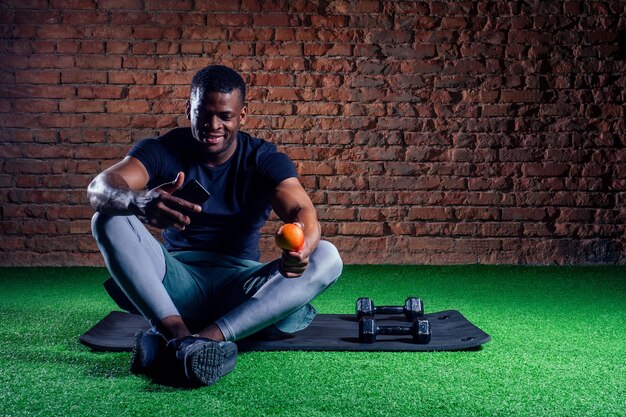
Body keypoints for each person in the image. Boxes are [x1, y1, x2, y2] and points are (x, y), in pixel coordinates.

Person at [87, 65, 343, 386]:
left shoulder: (262, 158)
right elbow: (100, 187)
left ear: (243, 116)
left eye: (225, 115)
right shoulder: (163, 149)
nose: (213, 125)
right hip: (176, 283)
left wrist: (302, 247)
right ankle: (178, 335)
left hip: (242, 289)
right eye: (203, 114)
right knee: (107, 217)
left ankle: (200, 341)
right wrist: (140, 202)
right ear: (188, 110)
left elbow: (301, 209)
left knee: (328, 256)